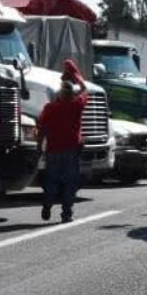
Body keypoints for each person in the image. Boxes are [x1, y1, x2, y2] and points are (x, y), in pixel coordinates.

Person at [36, 58, 90, 222]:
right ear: (71, 94)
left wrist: (39, 146)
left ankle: (47, 204)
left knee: (51, 180)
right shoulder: (76, 106)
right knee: (69, 182)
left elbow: (42, 129)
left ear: (59, 94)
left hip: (53, 149)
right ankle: (67, 213)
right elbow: (84, 90)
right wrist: (75, 76)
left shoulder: (50, 109)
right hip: (71, 150)